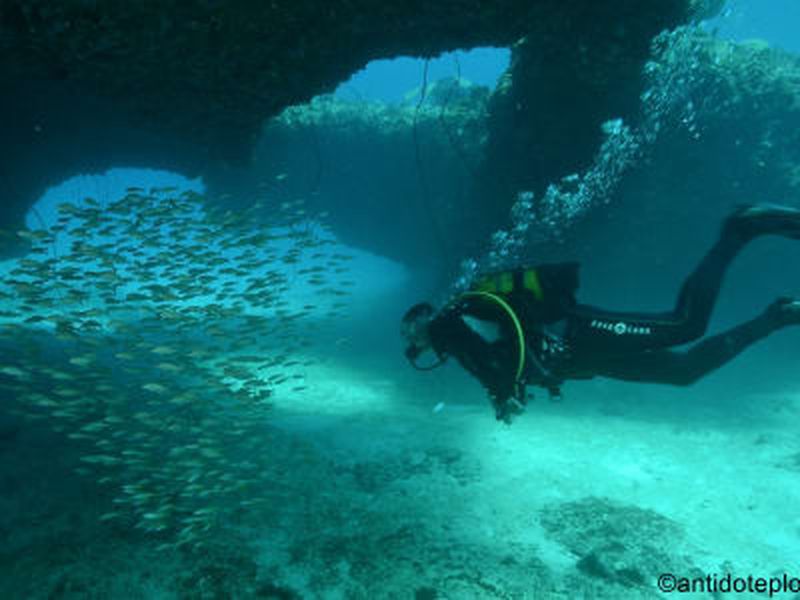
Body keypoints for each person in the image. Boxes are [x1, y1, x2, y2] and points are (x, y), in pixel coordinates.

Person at [401, 204, 800, 423]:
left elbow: (502, 341)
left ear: (421, 319)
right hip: (584, 359)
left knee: (684, 324)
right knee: (684, 373)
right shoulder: (454, 336)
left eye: (410, 331)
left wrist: (506, 393)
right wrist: (502, 395)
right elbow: (493, 360)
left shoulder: (447, 323)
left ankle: (740, 229)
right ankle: (777, 317)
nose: (414, 342)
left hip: (581, 335)